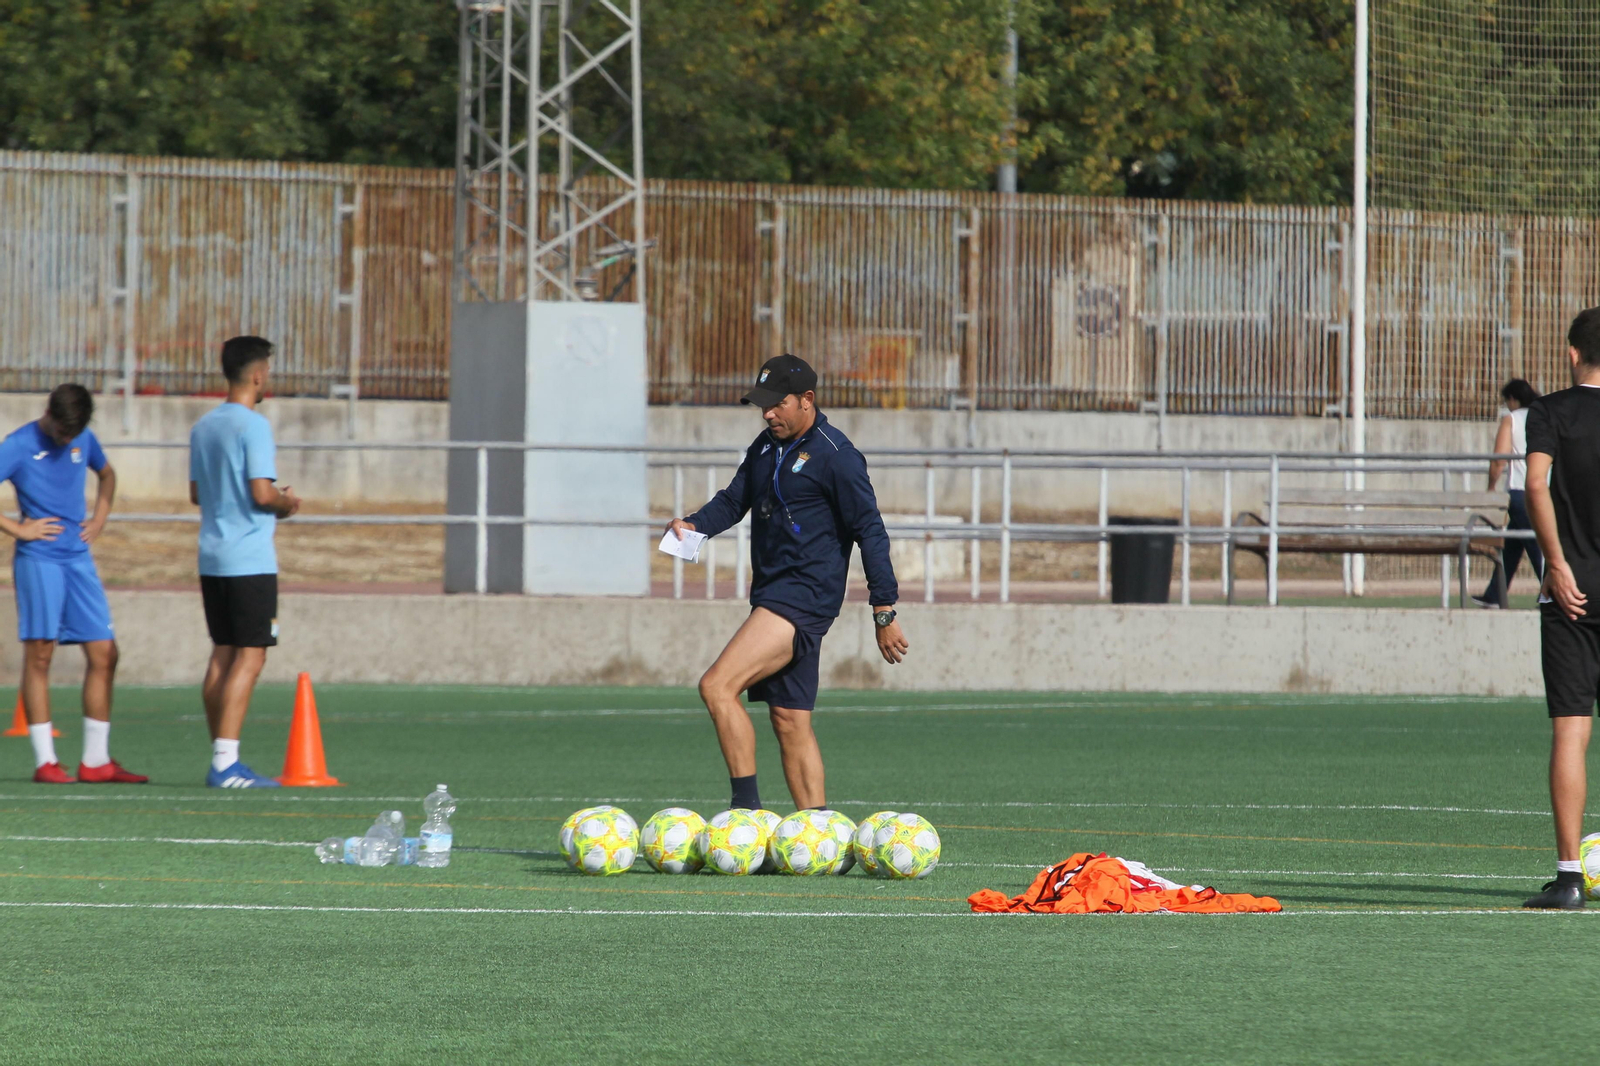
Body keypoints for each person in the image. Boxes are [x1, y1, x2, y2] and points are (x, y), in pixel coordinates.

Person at [667, 354, 908, 812]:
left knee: (717, 687)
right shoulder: (765, 447)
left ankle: (746, 814)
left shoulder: (837, 457)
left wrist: (884, 609)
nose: (768, 414)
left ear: (807, 400)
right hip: (775, 595)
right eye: (762, 405)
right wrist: (692, 526)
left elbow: (870, 531)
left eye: (777, 405)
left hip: (801, 599)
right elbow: (734, 500)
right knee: (790, 720)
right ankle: (817, 829)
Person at [0, 385, 145, 784]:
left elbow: (107, 473)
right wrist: (19, 529)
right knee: (41, 654)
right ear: (48, 413)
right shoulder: (17, 444)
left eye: (74, 434)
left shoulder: (84, 436)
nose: (68, 440)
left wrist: (99, 518)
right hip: (39, 560)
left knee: (105, 652)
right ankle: (46, 761)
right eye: (63, 432)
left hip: (77, 559)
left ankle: (96, 761)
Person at [189, 336, 301, 788]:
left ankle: (222, 755)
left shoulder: (204, 425)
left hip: (212, 554)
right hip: (248, 557)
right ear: (257, 375)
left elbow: (197, 493)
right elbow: (260, 492)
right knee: (251, 656)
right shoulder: (252, 426)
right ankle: (225, 764)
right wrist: (286, 502)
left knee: (222, 652)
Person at [1522, 308, 1600, 908]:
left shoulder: (1549, 410)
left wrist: (1557, 562)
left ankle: (1570, 878)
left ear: (1572, 353)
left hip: (1573, 593)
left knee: (1572, 730)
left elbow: (1535, 484)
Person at [1472, 378, 1543, 609]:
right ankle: (1494, 594)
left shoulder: (1511, 420)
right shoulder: (1546, 416)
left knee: (1536, 546)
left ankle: (1552, 594)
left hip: (1520, 492)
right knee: (1512, 546)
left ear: (1513, 399)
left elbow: (1498, 461)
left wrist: (1491, 488)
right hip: (1546, 490)